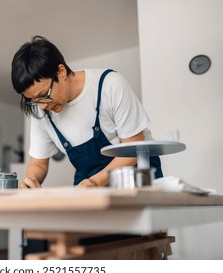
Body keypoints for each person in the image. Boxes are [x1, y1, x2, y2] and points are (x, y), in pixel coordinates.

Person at [11, 35, 163, 189]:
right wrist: (31, 180)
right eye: (34, 100)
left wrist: (95, 182)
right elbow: (39, 163)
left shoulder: (110, 85)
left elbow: (133, 146)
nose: (41, 106)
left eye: (43, 96)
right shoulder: (41, 109)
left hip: (136, 178)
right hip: (89, 183)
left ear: (61, 72)